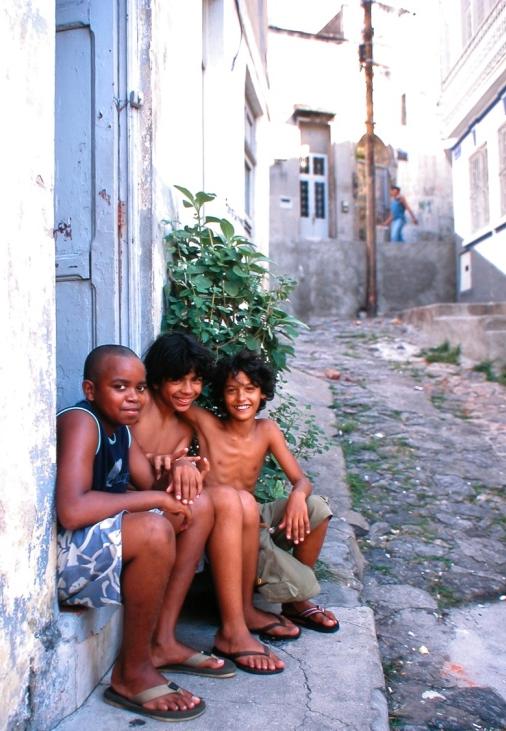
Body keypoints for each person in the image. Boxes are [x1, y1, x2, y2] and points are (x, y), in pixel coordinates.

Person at [56, 344, 212, 722]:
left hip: (95, 546)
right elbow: (72, 510)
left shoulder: (122, 431)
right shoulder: (82, 421)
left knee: (195, 506)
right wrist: (158, 496)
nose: (133, 398)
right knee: (157, 529)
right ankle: (131, 672)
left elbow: (152, 484)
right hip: (63, 557)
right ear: (91, 390)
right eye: (120, 387)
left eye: (140, 388)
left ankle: (161, 639)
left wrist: (180, 468)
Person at [133, 332, 292, 675]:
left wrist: (184, 466)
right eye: (177, 379)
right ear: (157, 378)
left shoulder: (182, 428)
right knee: (225, 499)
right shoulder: (138, 407)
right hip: (129, 510)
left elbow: (166, 473)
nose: (188, 390)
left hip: (159, 508)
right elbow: (130, 466)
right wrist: (171, 469)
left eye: (195, 381)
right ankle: (233, 630)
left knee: (242, 501)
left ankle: (237, 618)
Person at [181, 349, 339, 647]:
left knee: (316, 507)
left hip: (256, 516)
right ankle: (298, 595)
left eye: (250, 389)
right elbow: (167, 399)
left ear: (263, 393)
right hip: (226, 526)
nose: (241, 397)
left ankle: (293, 604)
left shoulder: (266, 431)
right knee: (303, 583)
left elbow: (302, 480)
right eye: (232, 390)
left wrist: (296, 497)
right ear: (221, 394)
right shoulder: (206, 424)